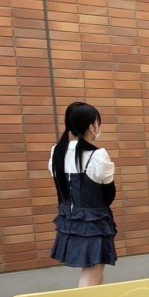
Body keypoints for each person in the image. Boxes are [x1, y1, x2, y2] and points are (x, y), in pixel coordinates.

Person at [48, 102, 117, 287]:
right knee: (91, 275)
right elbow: (109, 194)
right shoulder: (98, 155)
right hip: (94, 221)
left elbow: (60, 189)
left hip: (69, 219)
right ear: (91, 127)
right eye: (98, 123)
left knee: (96, 274)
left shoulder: (57, 151)